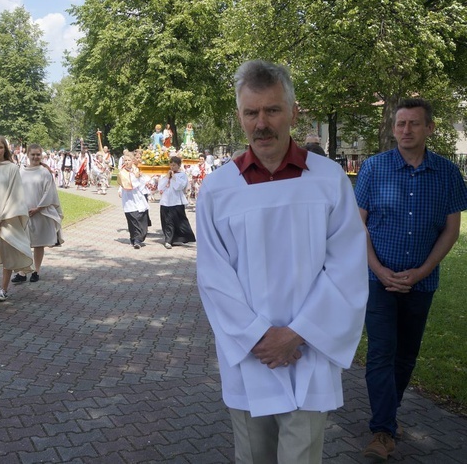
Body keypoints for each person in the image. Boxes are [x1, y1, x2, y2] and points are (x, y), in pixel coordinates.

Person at [196, 60, 368, 463]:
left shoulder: (328, 180)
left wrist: (297, 333)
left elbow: (346, 266)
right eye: (251, 112)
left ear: (293, 111)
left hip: (308, 348)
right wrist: (259, 337)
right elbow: (213, 276)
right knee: (254, 455)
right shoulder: (219, 188)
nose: (262, 123)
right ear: (239, 116)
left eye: (272, 110)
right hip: (249, 352)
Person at [355, 98, 467, 461]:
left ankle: (388, 414)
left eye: (414, 124)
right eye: (400, 124)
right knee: (382, 352)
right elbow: (358, 227)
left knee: (406, 356)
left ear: (429, 128)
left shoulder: (448, 173)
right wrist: (377, 269)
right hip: (378, 281)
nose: (405, 130)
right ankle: (383, 431)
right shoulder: (373, 169)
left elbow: (451, 229)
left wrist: (421, 271)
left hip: (422, 283)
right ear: (393, 128)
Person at [0, 135, 33, 302]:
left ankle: (3, 290)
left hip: (6, 218)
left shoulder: (12, 168)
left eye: (0, 147)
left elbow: (15, 195)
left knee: (7, 255)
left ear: (5, 149)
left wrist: (2, 217)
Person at [11, 144, 64, 284]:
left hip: (40, 213)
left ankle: (36, 270)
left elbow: (49, 192)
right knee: (24, 243)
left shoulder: (44, 172)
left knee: (38, 244)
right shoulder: (20, 171)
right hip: (24, 213)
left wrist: (38, 208)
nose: (35, 157)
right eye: (32, 154)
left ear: (41, 155)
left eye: (38, 154)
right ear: (27, 155)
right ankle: (22, 272)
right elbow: (15, 191)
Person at [158, 156, 196, 249]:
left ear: (179, 165)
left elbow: (179, 186)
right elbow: (160, 187)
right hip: (166, 201)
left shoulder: (182, 175)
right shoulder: (166, 175)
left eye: (174, 165)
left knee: (179, 221)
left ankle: (179, 238)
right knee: (167, 221)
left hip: (177, 201)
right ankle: (168, 240)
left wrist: (174, 177)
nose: (172, 167)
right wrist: (167, 177)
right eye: (171, 165)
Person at [117, 153, 150, 249]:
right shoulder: (122, 172)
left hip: (138, 197)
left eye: (128, 160)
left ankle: (137, 237)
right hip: (129, 198)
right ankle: (136, 239)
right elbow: (126, 185)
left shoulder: (136, 170)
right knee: (133, 218)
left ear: (132, 161)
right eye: (125, 161)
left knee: (141, 217)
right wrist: (136, 177)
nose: (127, 162)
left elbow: (143, 182)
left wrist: (140, 176)